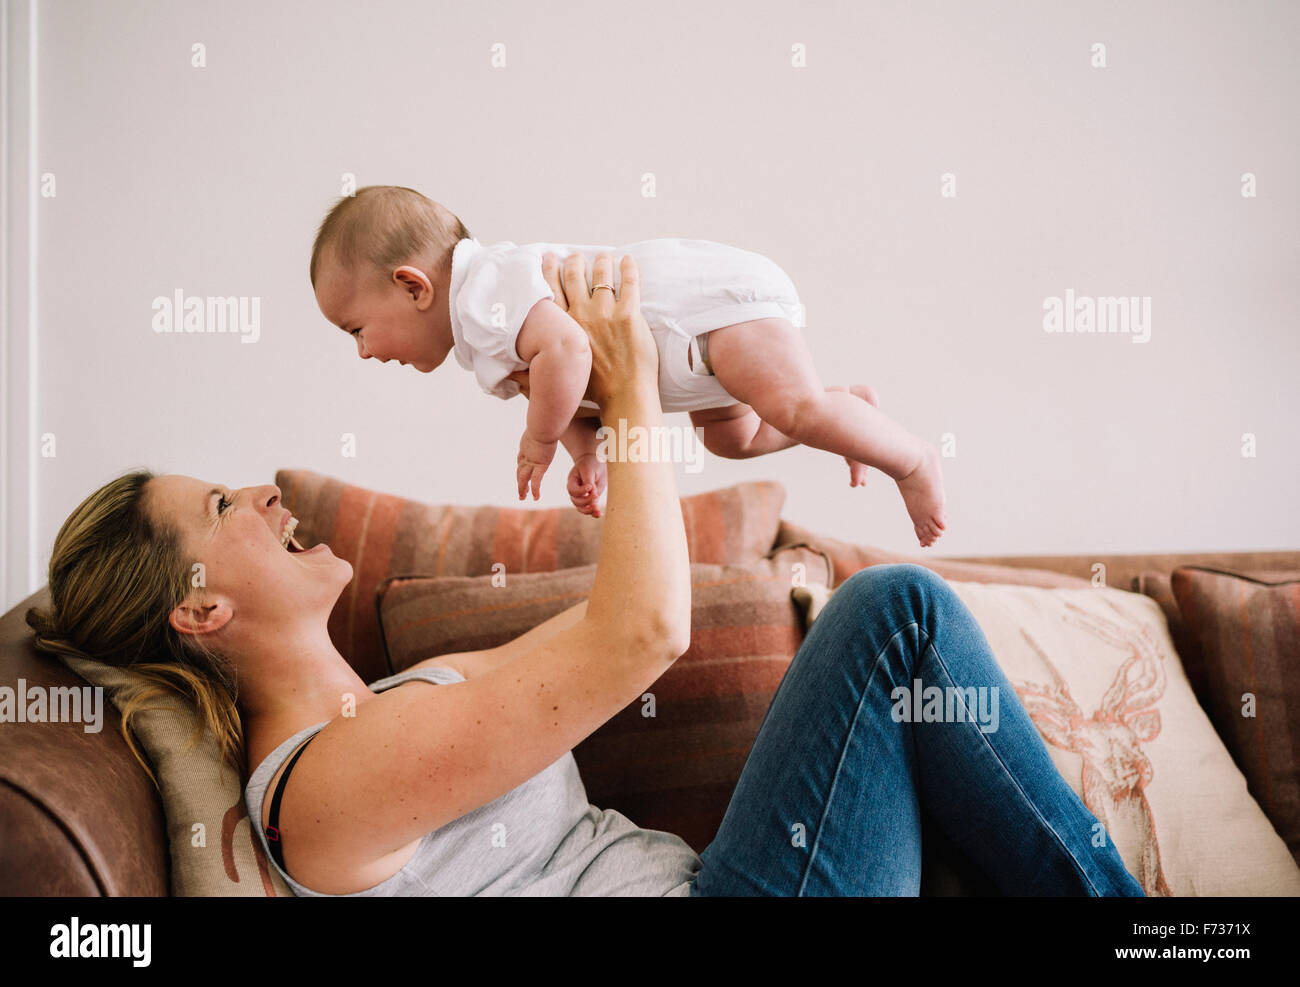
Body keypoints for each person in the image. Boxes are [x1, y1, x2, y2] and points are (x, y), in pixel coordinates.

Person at [27, 251, 1141, 896]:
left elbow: (616, 625)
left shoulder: (398, 695)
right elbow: (639, 636)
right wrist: (634, 383)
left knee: (900, 656)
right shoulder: (314, 793)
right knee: (893, 613)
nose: (262, 492)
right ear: (199, 606)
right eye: (221, 506)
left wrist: (635, 417)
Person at [309, 185, 947, 547]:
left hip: (703, 313)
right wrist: (584, 455)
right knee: (735, 438)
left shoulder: (482, 293)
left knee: (793, 410)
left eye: (357, 330)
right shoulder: (482, 332)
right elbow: (576, 388)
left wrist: (538, 439)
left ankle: (912, 458)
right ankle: (848, 406)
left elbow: (569, 351)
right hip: (687, 359)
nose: (364, 352)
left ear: (413, 286)